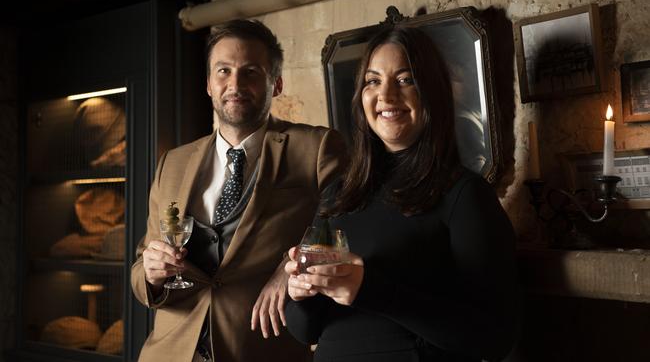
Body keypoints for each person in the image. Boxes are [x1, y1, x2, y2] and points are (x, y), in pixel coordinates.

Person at [284, 26, 519, 362]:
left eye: (405, 80)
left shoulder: (465, 194)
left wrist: (371, 290)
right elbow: (306, 330)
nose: (386, 95)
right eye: (373, 80)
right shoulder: (339, 194)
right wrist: (300, 294)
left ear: (432, 92)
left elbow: (494, 337)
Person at [130, 19, 347, 362]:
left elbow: (345, 226)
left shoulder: (317, 147)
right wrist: (152, 274)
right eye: (224, 71)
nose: (235, 84)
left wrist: (290, 266)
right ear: (208, 84)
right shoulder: (171, 162)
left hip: (261, 350)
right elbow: (142, 267)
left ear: (276, 84)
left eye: (250, 72)